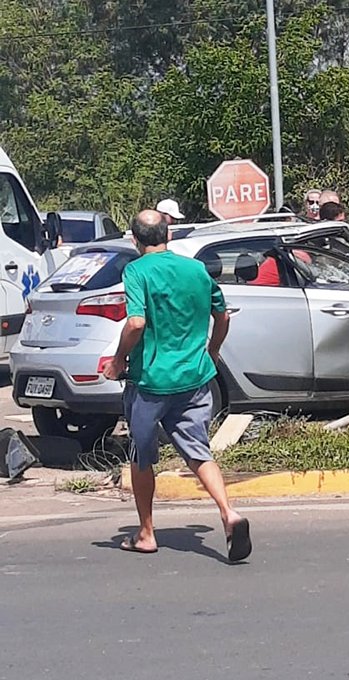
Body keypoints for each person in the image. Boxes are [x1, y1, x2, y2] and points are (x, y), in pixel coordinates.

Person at [103, 209, 251, 562]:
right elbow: (222, 315)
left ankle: (146, 534)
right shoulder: (196, 269)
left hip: (151, 382)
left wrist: (119, 359)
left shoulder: (136, 271)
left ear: (134, 240)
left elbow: (136, 323)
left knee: (141, 456)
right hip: (194, 379)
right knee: (198, 451)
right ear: (168, 235)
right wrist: (212, 350)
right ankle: (228, 512)